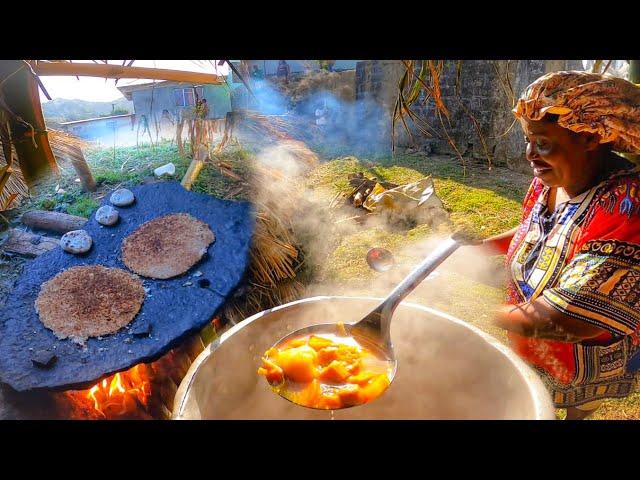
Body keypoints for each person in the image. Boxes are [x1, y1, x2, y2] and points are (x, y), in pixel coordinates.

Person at [476, 71, 640, 419]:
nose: (530, 154)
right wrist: (471, 252)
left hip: (583, 358)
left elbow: (575, 320)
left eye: (542, 142)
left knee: (570, 412)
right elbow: (535, 230)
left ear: (589, 138)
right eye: (528, 140)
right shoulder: (551, 178)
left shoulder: (627, 204)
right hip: (532, 341)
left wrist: (485, 318)